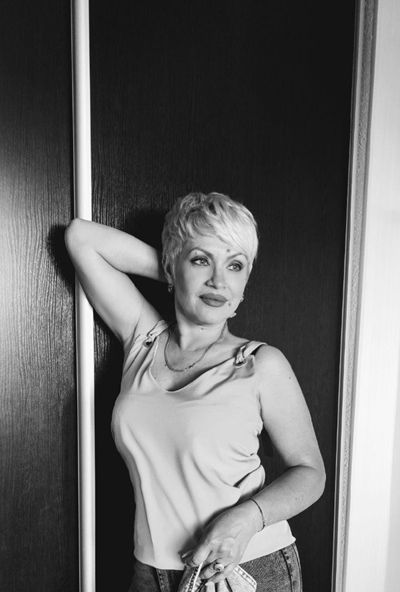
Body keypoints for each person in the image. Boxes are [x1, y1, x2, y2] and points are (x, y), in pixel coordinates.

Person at [65, 192, 325, 592]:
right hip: (151, 572)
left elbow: (310, 473)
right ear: (171, 265)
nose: (219, 281)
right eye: (202, 260)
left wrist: (247, 519)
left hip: (242, 567)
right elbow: (81, 238)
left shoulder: (260, 363)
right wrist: (177, 268)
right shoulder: (143, 339)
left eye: (235, 266)